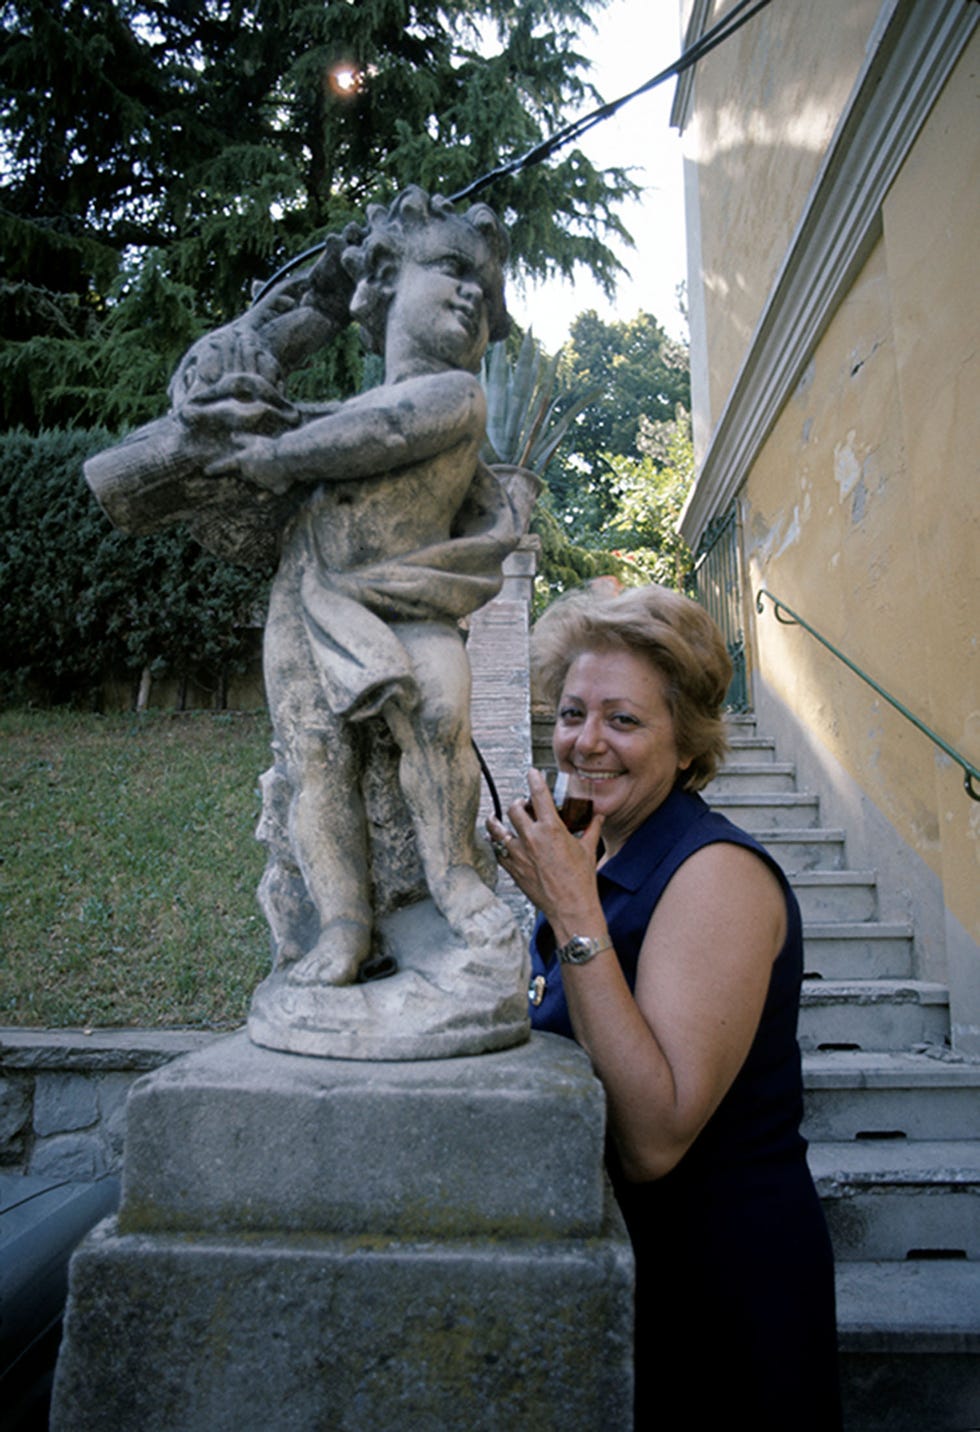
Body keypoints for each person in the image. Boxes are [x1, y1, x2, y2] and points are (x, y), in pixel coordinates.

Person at [486, 582, 842, 1429]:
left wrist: (570, 911)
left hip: (720, 1299)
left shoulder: (716, 875)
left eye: (624, 720)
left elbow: (653, 1138)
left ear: (687, 746)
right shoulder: (596, 859)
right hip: (625, 1279)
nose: (586, 742)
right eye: (573, 713)